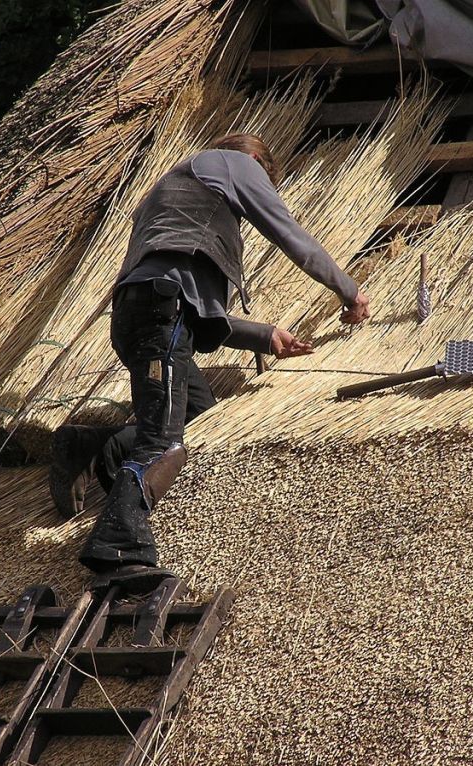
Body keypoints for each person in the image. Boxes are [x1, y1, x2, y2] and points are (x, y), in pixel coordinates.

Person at [50, 133, 370, 592]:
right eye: (264, 177)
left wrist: (265, 336)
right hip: (163, 314)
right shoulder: (232, 163)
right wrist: (348, 289)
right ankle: (119, 546)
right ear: (257, 159)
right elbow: (288, 233)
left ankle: (92, 447)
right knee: (165, 444)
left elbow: (188, 305)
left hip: (141, 314)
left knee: (199, 415)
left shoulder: (169, 195)